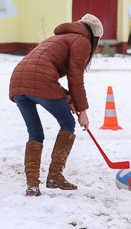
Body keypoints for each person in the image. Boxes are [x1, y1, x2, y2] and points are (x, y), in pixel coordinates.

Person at [9, 14, 102, 197]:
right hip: (39, 81)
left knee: (35, 133)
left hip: (18, 81)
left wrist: (66, 96)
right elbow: (75, 76)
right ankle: (55, 176)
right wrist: (82, 111)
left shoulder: (58, 37)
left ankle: (32, 185)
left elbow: (41, 69)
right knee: (68, 123)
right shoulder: (82, 41)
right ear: (95, 36)